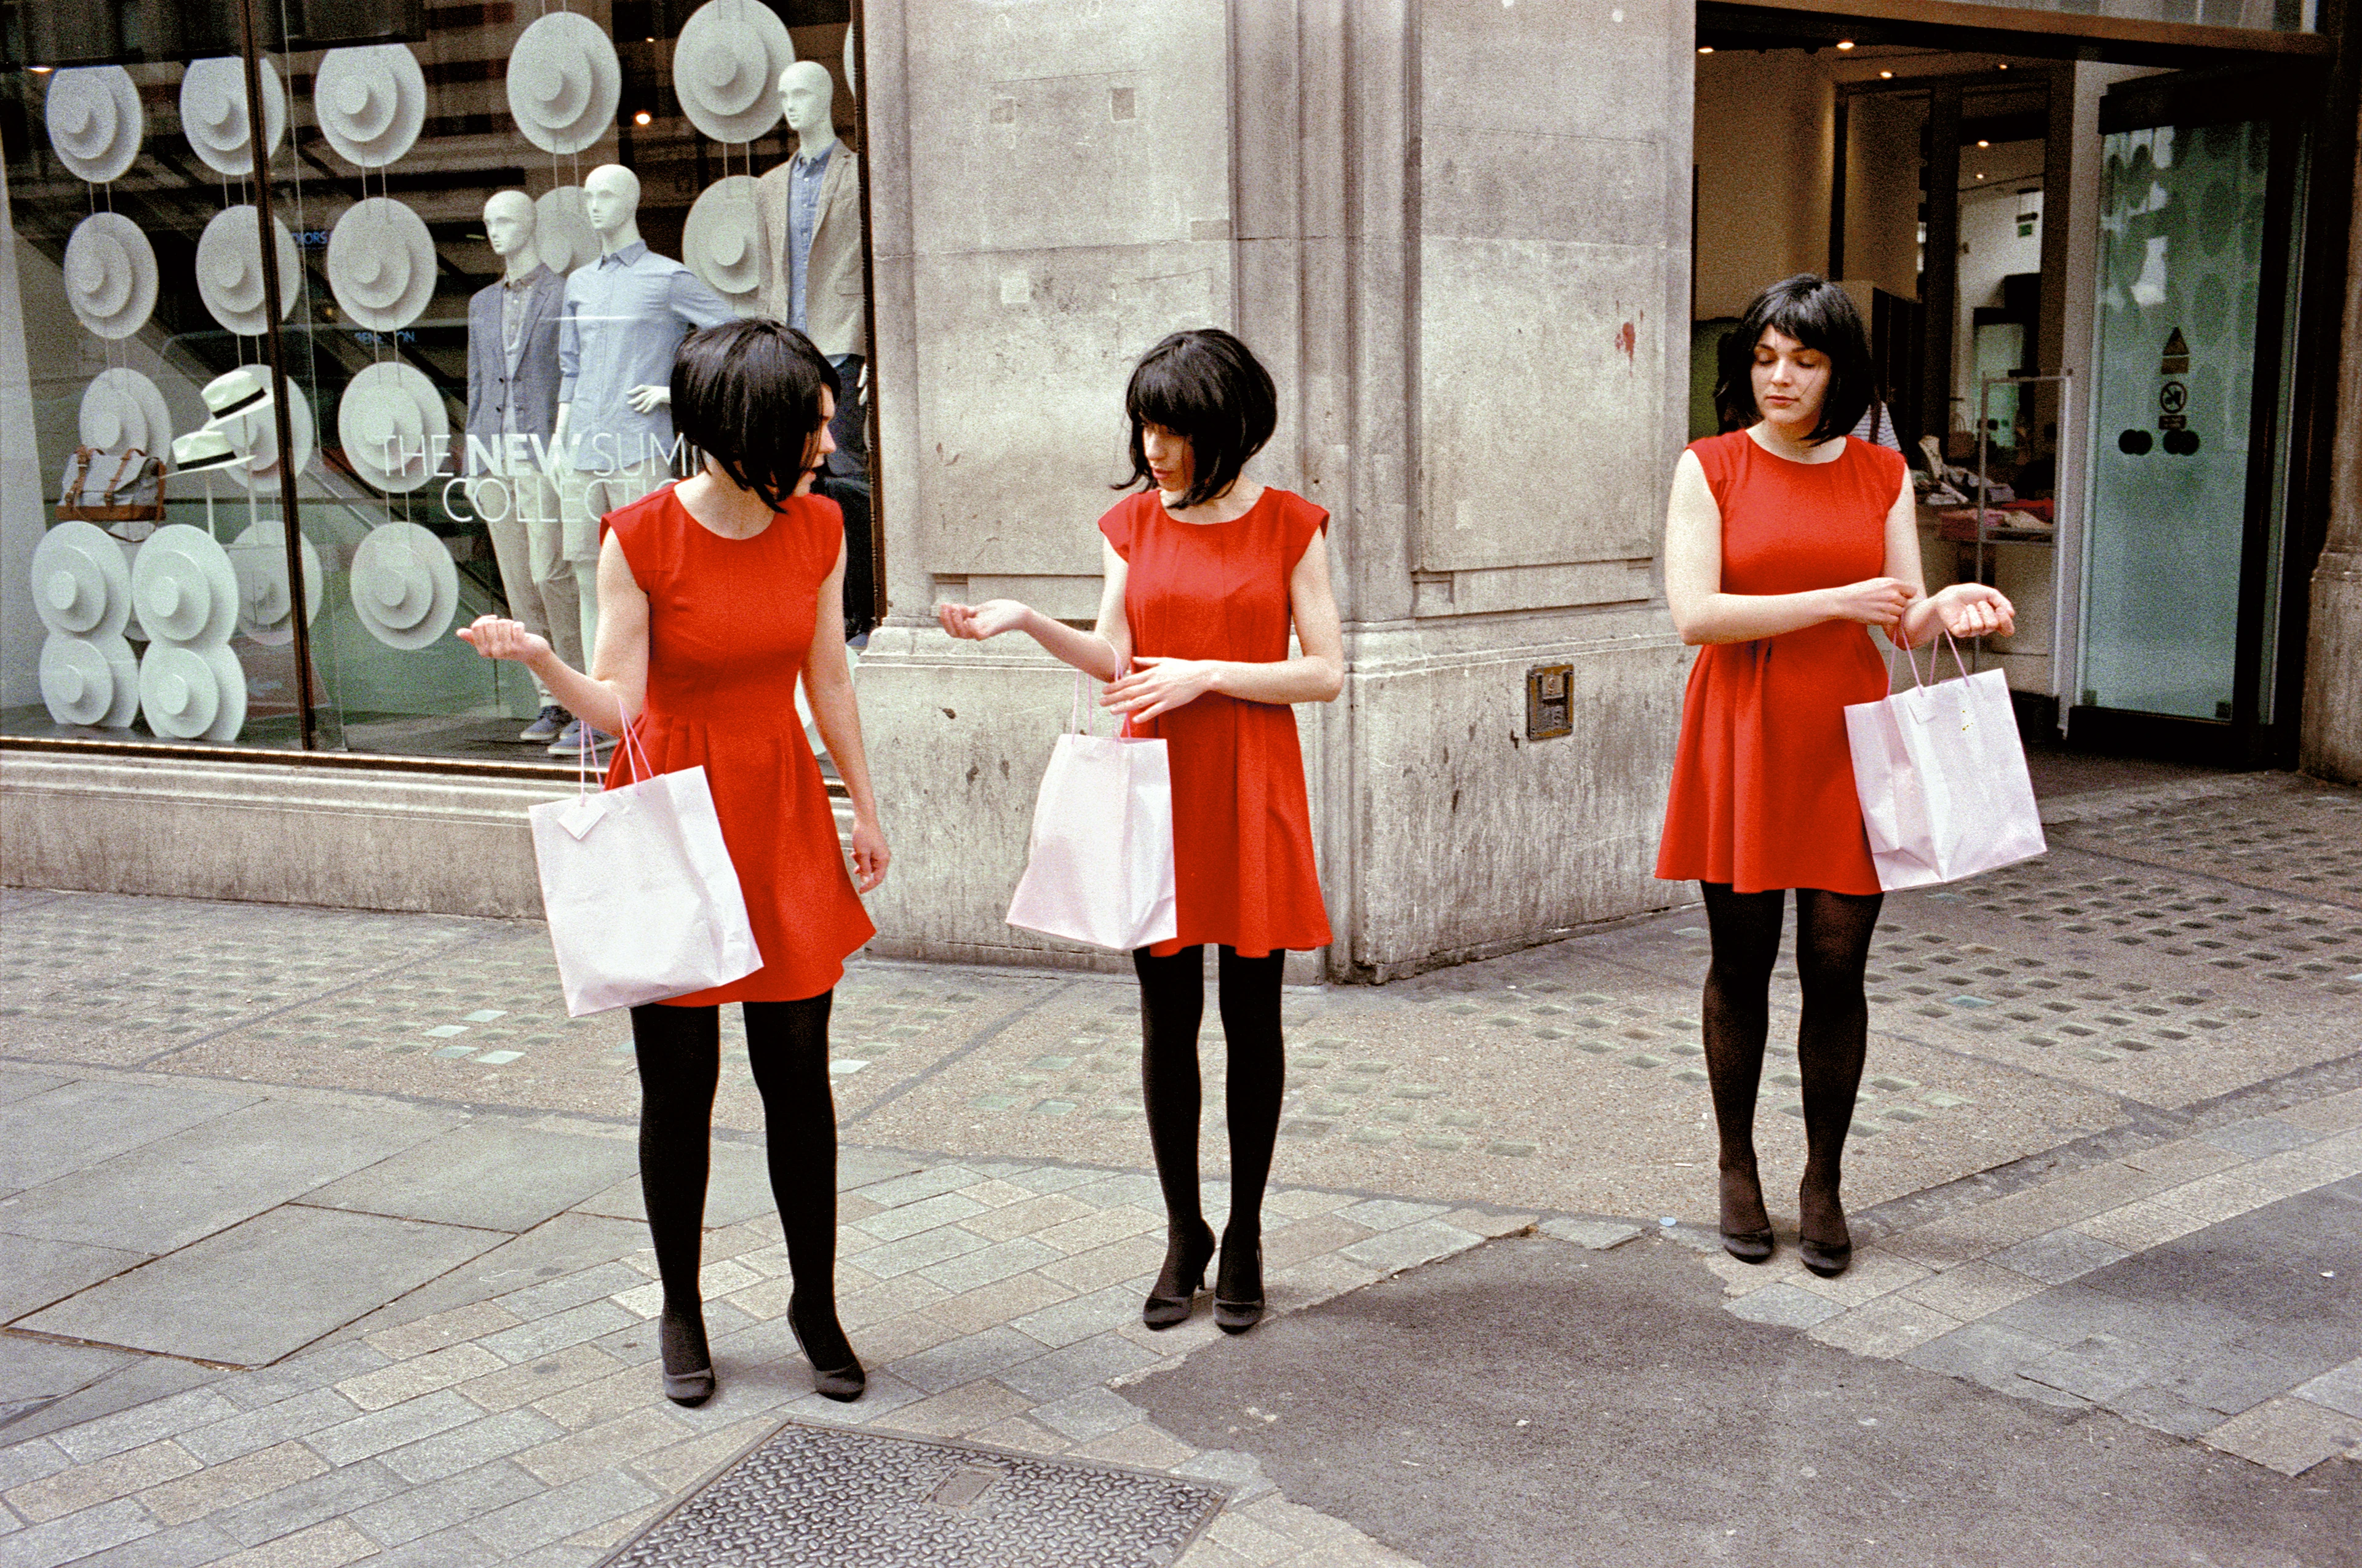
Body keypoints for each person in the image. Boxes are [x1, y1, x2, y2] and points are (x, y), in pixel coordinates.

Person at [458, 319, 888, 1404]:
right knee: (679, 1087)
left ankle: (814, 1303)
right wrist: (544, 658)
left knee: (799, 1086)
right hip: (673, 820)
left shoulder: (821, 529)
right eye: (812, 427)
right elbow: (620, 709)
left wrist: (865, 808)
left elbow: (830, 681)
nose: (827, 448)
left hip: (781, 811)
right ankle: (683, 1309)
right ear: (749, 429)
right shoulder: (639, 538)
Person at [936, 328, 1342, 1334]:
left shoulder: (1293, 525)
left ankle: (1245, 1230)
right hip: (1155, 782)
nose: (1154, 447)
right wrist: (1030, 621)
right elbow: (1114, 652)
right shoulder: (1128, 525)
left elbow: (1326, 671)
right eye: (1145, 426)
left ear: (1228, 429)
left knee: (1254, 1022)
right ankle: (1183, 1231)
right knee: (1168, 1022)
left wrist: (1211, 673)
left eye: (1174, 429)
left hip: (1247, 781)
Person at [1657, 275, 2013, 1279]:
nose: (1780, 377)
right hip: (1743, 730)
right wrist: (1833, 599)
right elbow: (1698, 615)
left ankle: (1823, 1180)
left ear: (1837, 371)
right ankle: (1737, 1166)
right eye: (1765, 358)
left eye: (1803, 361)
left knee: (1837, 968)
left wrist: (1949, 609)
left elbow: (1897, 612)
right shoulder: (1710, 467)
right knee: (1740, 960)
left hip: (1847, 737)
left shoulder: (1879, 475)